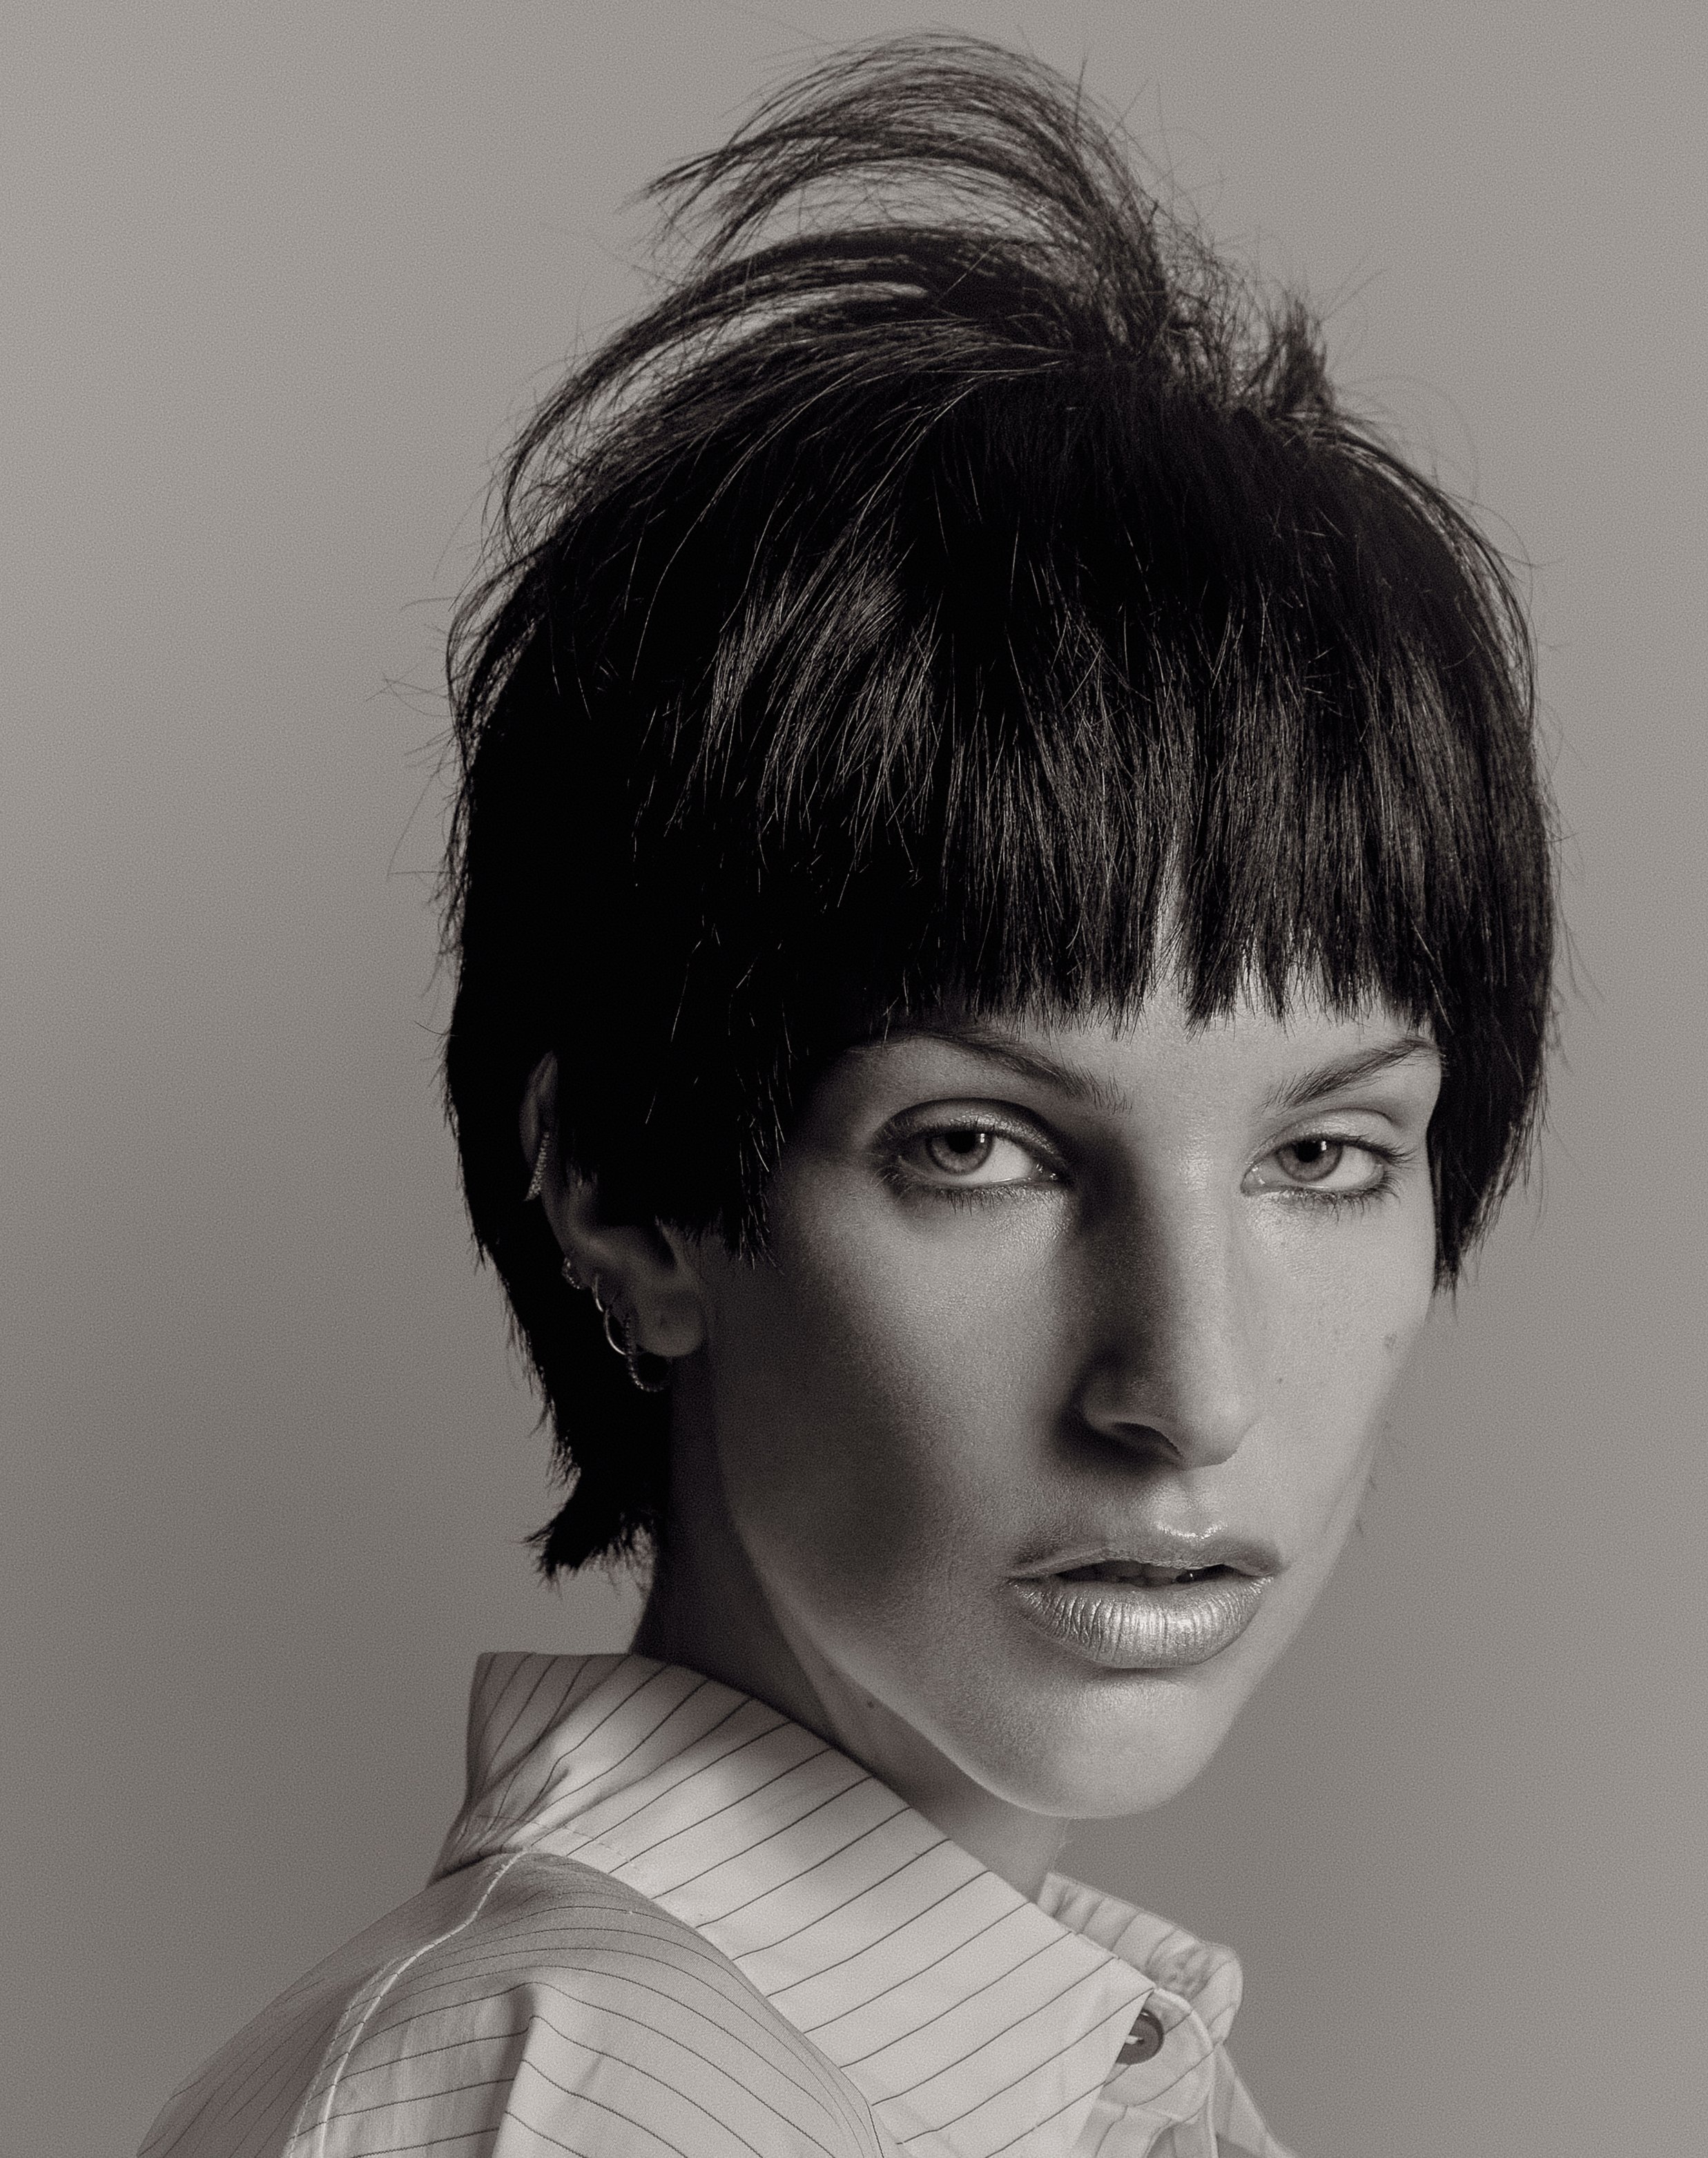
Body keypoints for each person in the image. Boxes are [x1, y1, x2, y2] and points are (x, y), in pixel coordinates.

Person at [140, 33, 1555, 2158]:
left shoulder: (1007, 2085)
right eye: (977, 1148)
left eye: (1321, 1153)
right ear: (622, 1188)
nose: (1186, 1389)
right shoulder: (583, 2095)